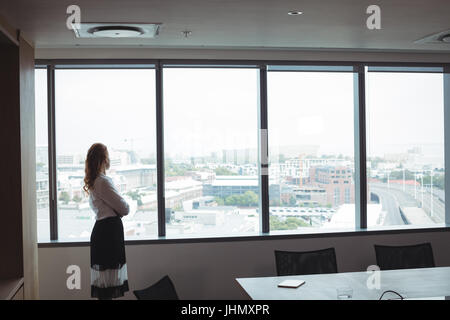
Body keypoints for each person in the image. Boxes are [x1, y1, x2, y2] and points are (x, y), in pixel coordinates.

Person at [83, 143, 130, 300]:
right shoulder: (103, 181)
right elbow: (124, 208)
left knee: (105, 288)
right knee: (108, 288)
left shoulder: (94, 182)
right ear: (104, 159)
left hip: (102, 232)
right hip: (109, 235)